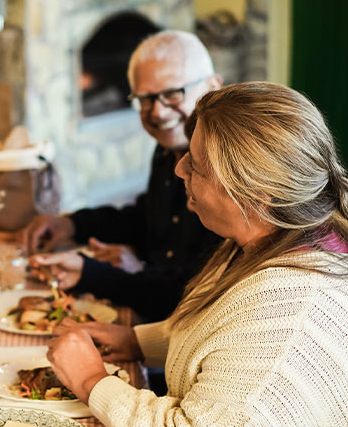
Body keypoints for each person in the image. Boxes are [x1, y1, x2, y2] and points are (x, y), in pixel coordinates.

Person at [47, 82, 348, 427]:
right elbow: (233, 336)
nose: (178, 171)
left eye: (195, 166)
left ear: (255, 195)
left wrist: (90, 382)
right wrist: (138, 341)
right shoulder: (281, 238)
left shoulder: (295, 311)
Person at [23, 30, 223, 322]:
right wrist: (71, 224)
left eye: (171, 93)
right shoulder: (168, 149)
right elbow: (147, 219)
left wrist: (111, 273)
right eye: (145, 98)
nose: (157, 111)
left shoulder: (226, 173)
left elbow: (197, 295)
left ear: (212, 86)